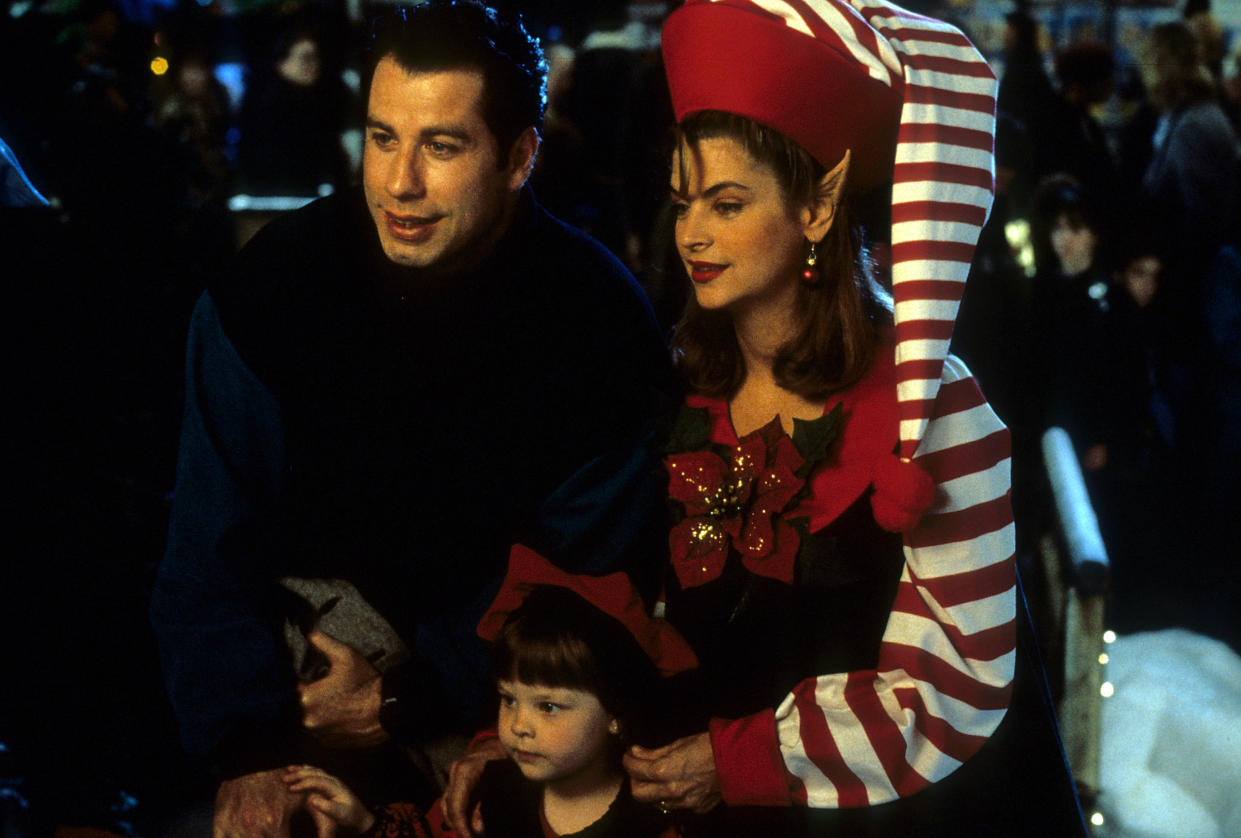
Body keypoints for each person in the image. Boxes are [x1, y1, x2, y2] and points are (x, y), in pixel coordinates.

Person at [150, 2, 675, 835]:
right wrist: (246, 748)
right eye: (383, 137)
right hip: (278, 690)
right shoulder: (272, 288)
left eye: (442, 145)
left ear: (519, 157)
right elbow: (207, 542)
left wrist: (411, 691)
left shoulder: (595, 319)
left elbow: (590, 569)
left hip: (494, 699)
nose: (399, 182)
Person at [615, 1, 1087, 834]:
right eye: (683, 202)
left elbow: (953, 686)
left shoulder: (935, 407)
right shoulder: (682, 390)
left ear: (819, 206)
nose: (690, 233)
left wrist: (736, 760)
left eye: (725, 204)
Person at [280, 547, 693, 837]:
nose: (517, 725)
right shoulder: (487, 798)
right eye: (508, 698)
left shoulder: (655, 818)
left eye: (548, 706)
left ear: (616, 712)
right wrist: (363, 823)